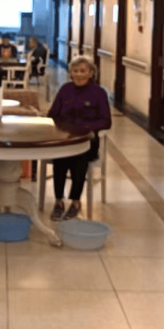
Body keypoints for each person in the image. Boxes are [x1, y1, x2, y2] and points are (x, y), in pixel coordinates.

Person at [48, 55, 111, 221]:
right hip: (65, 139)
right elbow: (52, 115)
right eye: (75, 71)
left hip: (87, 140)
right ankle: (58, 201)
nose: (79, 75)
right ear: (70, 73)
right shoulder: (65, 90)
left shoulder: (99, 93)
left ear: (91, 73)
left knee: (79, 158)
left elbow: (106, 122)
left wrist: (85, 127)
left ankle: (75, 202)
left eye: (83, 71)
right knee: (60, 158)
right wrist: (62, 128)